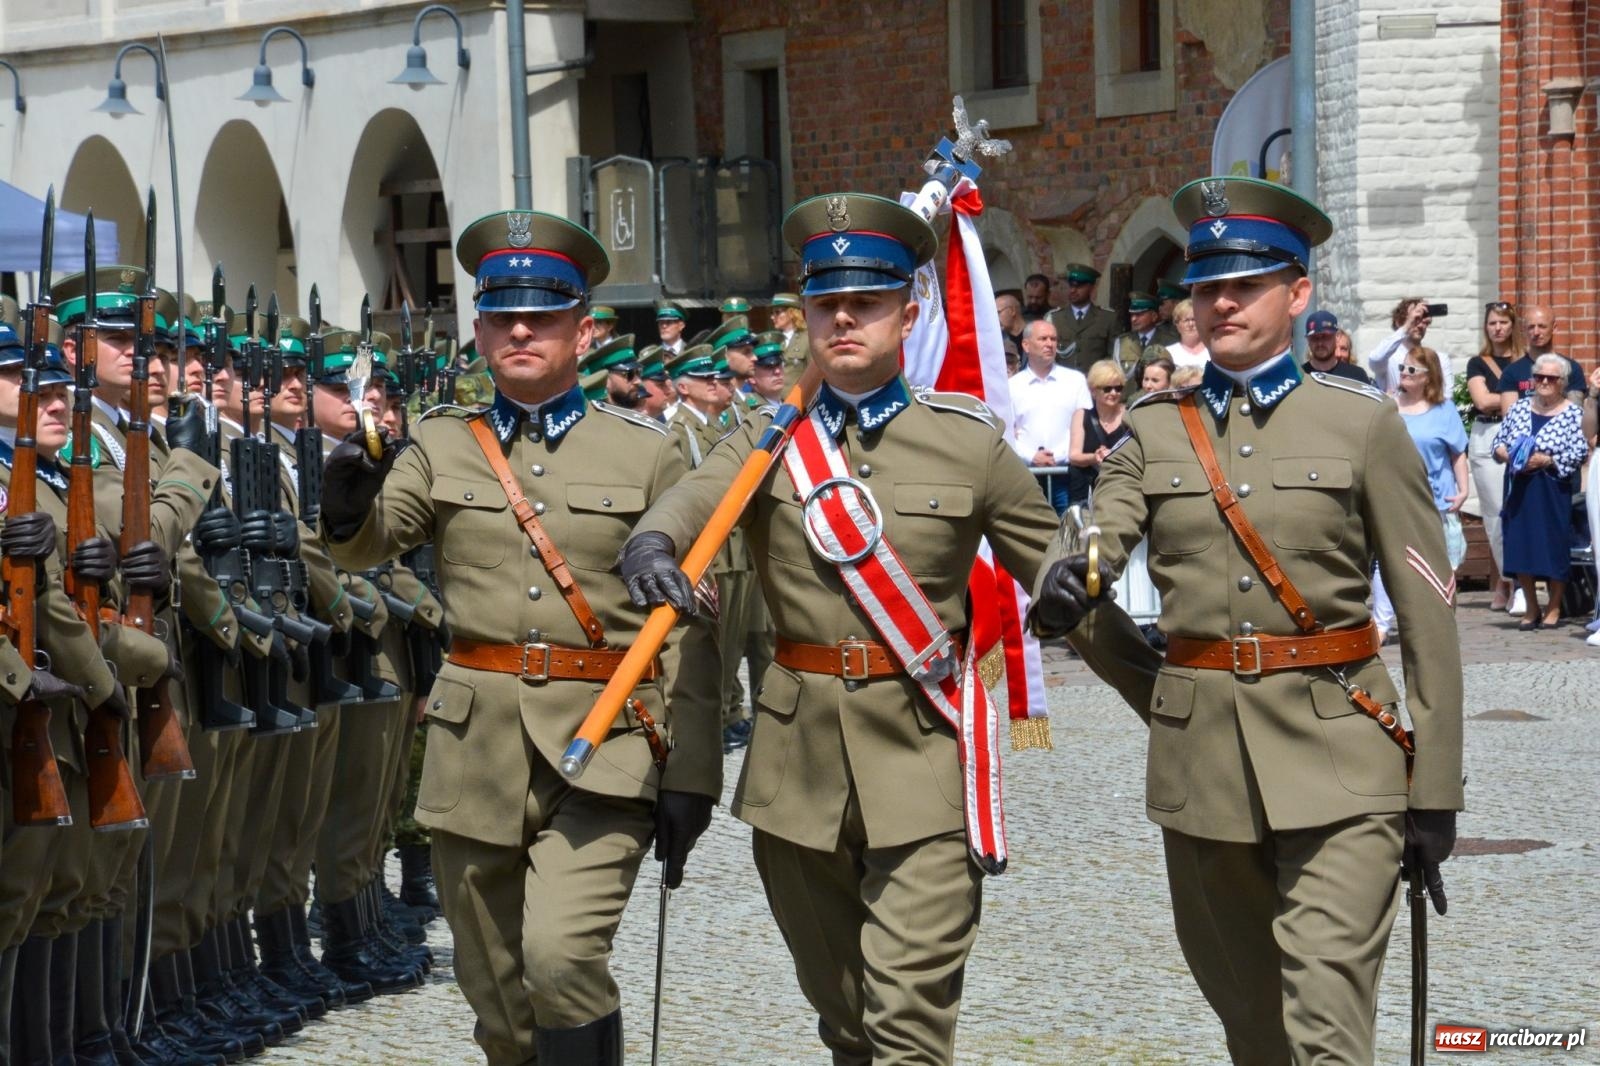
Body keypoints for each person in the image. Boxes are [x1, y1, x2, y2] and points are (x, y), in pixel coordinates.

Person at [622, 190, 1158, 1065]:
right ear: (805, 315)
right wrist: (653, 539)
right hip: (797, 778)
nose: (843, 319)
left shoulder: (969, 443)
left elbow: (1057, 578)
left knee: (909, 1030)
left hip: (925, 760)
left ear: (909, 313)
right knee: (847, 1025)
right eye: (826, 302)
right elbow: (696, 499)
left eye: (866, 302)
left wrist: (1162, 701)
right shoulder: (764, 436)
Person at [1032, 175, 1463, 1064]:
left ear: (1298, 292)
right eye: (1206, 286)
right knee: (1256, 1033)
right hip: (1205, 778)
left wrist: (1438, 788)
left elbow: (1428, 617)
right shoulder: (1154, 430)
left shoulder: (1363, 425)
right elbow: (1097, 537)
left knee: (1325, 1033)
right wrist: (1082, 595)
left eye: (1247, 284)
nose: (1221, 303)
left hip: (1348, 763)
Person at [320, 209, 719, 1065]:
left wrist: (691, 772)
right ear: (480, 329)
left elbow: (686, 623)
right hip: (478, 747)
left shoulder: (646, 455)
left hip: (606, 740)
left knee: (562, 958)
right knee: (498, 996)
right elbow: (369, 543)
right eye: (503, 314)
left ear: (584, 328)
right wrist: (346, 492)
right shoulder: (439, 442)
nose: (522, 330)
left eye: (543, 314)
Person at [1370, 347, 1469, 641]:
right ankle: (1382, 622)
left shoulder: (1444, 409)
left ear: (1429, 377)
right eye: (1402, 368)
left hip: (1436, 497)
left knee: (1438, 561)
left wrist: (1463, 490)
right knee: (1388, 558)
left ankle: (1435, 617)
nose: (1403, 373)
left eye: (1412, 370)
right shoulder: (1388, 406)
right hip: (1395, 495)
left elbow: (1457, 454)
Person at [1493, 353, 1589, 630]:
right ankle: (1532, 607)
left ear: (1562, 382)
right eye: (1539, 377)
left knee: (1553, 546)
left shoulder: (1573, 413)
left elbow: (1580, 451)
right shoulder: (1519, 408)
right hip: (1519, 487)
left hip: (1552, 488)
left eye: (1551, 378)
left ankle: (1555, 605)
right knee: (1521, 546)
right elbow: (1499, 442)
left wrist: (1548, 460)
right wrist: (1504, 453)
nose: (1544, 382)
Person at [1467, 301, 1525, 611]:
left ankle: (1514, 582)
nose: (1497, 328)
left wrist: (1501, 398)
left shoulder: (1525, 362)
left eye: (1503, 322)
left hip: (1521, 436)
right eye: (1492, 323)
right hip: (1488, 435)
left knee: (1521, 510)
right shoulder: (1479, 363)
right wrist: (1517, 396)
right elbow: (1481, 399)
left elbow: (1496, 399)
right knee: (1496, 513)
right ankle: (1511, 581)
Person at [1008, 317, 1092, 514]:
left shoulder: (1075, 381)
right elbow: (1006, 433)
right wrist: (1031, 457)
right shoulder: (1011, 386)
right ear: (1026, 345)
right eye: (1043, 339)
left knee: (1068, 535)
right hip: (1026, 476)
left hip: (1066, 474)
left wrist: (1057, 457)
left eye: (1053, 339)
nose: (1049, 344)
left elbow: (1084, 427)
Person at [1067, 359, 1131, 505]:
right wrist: (1095, 457)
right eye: (1107, 389)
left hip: (1120, 493)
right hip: (1084, 494)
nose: (1114, 393)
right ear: (1093, 390)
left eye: (1118, 388)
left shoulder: (1129, 416)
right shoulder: (1081, 415)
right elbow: (1074, 455)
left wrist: (1113, 457)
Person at [1499, 305, 1585, 407]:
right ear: (1524, 330)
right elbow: (1510, 418)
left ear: (1554, 328)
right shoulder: (1511, 372)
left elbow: (1575, 415)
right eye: (1531, 327)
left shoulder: (1571, 368)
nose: (1536, 332)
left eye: (1542, 326)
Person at [1366, 297, 1453, 393]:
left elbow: (1447, 398)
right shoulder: (1389, 358)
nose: (1420, 326)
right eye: (1416, 320)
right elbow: (1375, 359)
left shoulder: (1440, 359)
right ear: (1399, 322)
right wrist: (1407, 325)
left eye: (1424, 322)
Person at [1047, 262, 1116, 372]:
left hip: (1094, 382)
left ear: (1091, 287)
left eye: (1079, 286)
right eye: (1071, 285)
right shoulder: (1055, 318)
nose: (1073, 290)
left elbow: (1113, 356)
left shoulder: (1107, 318)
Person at [1110, 291, 1167, 385]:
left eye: (1139, 315)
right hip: (1127, 398)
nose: (1133, 319)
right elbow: (1116, 374)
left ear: (1154, 316)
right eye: (1132, 315)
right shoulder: (1122, 341)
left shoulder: (1170, 341)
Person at [1302, 310, 1372, 383]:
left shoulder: (1356, 376)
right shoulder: (1299, 378)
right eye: (1314, 338)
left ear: (1337, 337)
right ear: (1308, 340)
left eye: (1325, 337)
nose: (1320, 343)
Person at [771, 292, 809, 389]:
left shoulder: (807, 339)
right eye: (773, 313)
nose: (772, 317)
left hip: (799, 400)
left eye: (777, 312)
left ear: (791, 313)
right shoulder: (775, 340)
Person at [1164, 297, 1209, 369]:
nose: (1191, 324)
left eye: (1194, 319)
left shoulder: (1213, 351)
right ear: (1177, 324)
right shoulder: (1168, 353)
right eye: (1186, 320)